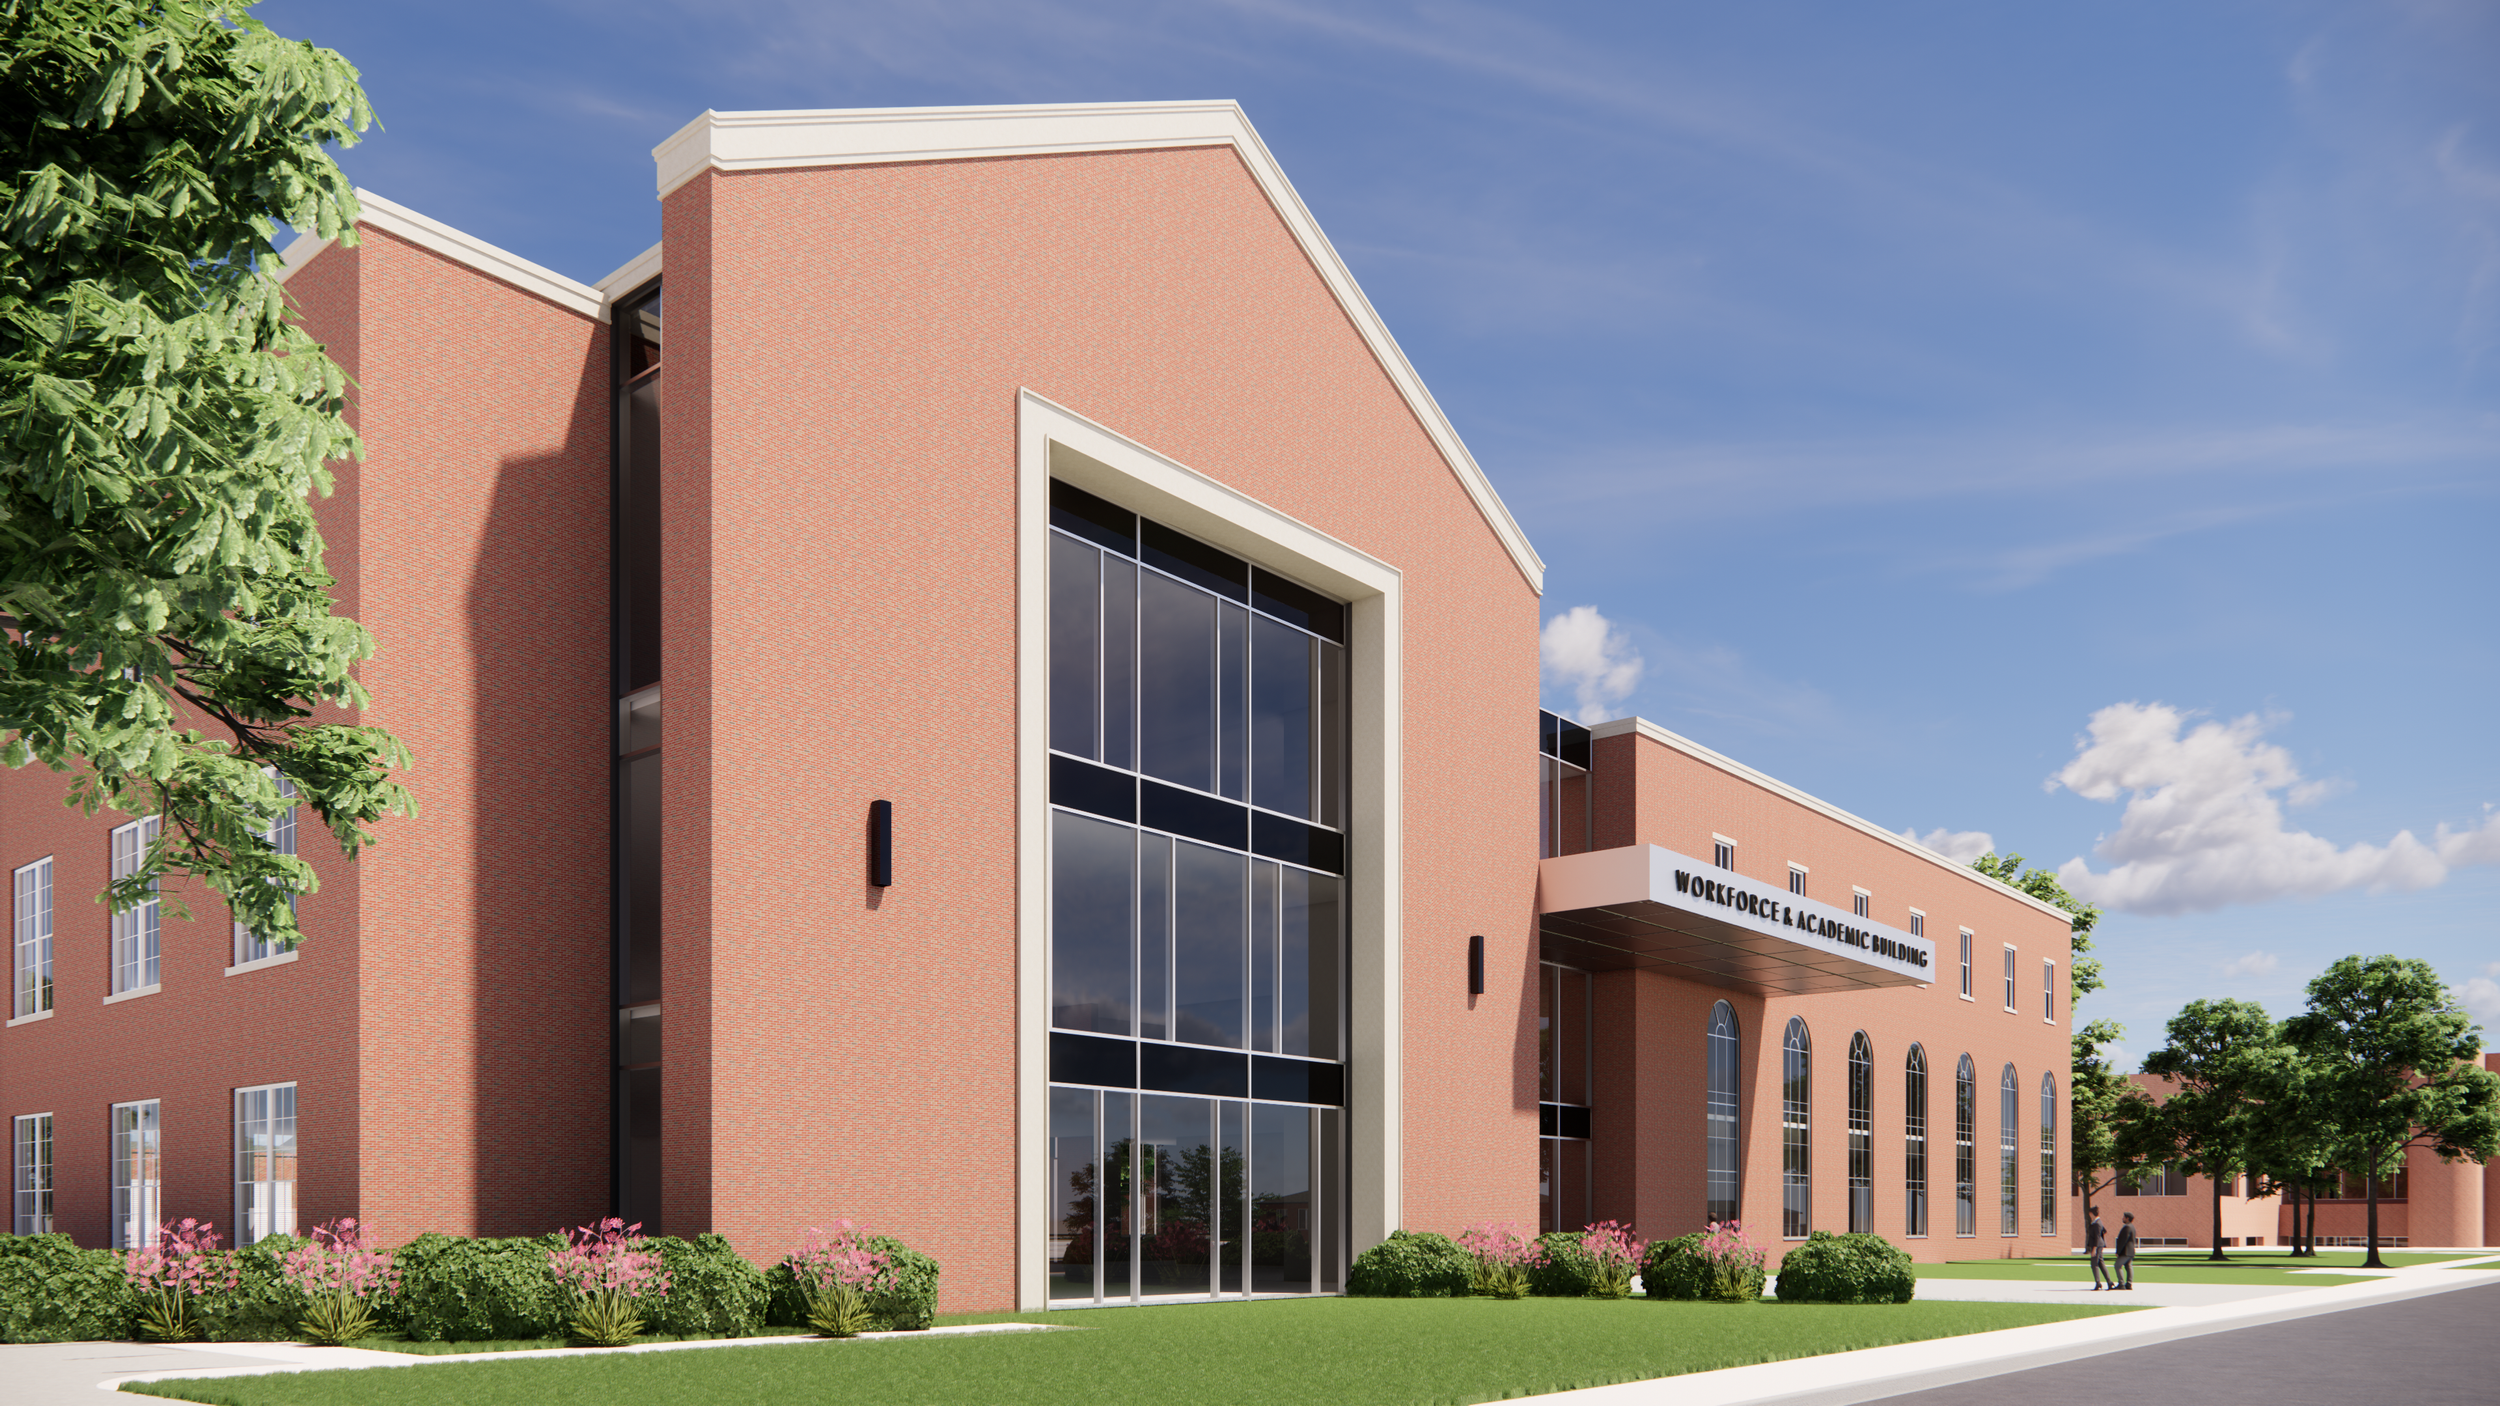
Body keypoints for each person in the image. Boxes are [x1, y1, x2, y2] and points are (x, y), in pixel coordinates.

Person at [2085, 1206, 2112, 1289]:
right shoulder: (2097, 1222)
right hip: (2099, 1245)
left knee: (2094, 1264)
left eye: (2089, 1213)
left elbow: (2097, 1236)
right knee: (2100, 1263)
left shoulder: (2097, 1223)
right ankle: (2109, 1282)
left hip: (2097, 1246)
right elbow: (2104, 1231)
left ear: (2091, 1213)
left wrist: (2094, 1248)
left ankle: (2098, 1283)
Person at [2114, 1211, 2138, 1290]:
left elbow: (2123, 1241)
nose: (2122, 1218)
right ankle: (2129, 1284)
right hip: (2130, 1251)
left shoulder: (2127, 1227)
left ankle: (2121, 1284)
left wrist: (2118, 1251)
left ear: (2127, 1218)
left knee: (2117, 1265)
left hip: (2125, 1251)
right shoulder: (2132, 1227)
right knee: (2128, 1266)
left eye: (2124, 1217)